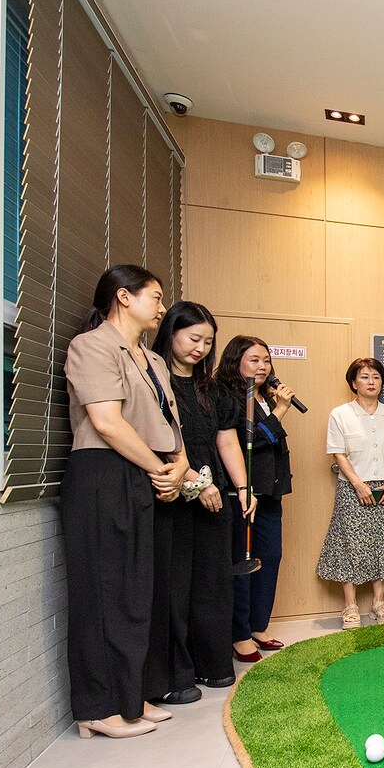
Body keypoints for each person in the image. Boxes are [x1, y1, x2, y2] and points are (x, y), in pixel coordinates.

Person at [62, 265, 186, 739]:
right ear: (122, 297)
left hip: (148, 473)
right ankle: (97, 706)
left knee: (143, 590)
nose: (161, 307)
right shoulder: (90, 346)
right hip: (104, 473)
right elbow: (108, 423)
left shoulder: (152, 360)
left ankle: (137, 697)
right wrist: (159, 470)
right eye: (153, 297)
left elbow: (170, 425)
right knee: (104, 590)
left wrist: (180, 469)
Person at [146, 302, 254, 705]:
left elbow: (226, 441)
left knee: (213, 583)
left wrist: (243, 489)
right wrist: (197, 482)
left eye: (208, 342)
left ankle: (214, 665)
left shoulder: (215, 390)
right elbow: (158, 444)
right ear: (171, 333)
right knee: (175, 585)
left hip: (214, 498)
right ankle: (177, 674)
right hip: (172, 494)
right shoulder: (153, 383)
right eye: (194, 339)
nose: (201, 348)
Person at [218, 336, 296, 662]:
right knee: (244, 563)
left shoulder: (265, 396)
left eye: (266, 360)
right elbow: (251, 443)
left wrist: (276, 407)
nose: (263, 366)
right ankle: (239, 634)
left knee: (271, 558)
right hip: (244, 494)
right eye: (254, 360)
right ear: (236, 361)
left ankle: (259, 625)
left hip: (271, 492)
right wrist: (280, 411)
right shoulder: (230, 398)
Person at [318, 358, 384, 629]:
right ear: (353, 383)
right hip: (352, 485)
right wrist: (357, 483)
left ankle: (378, 602)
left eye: (376, 377)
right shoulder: (340, 414)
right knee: (351, 543)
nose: (371, 382)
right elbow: (339, 452)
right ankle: (350, 605)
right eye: (365, 377)